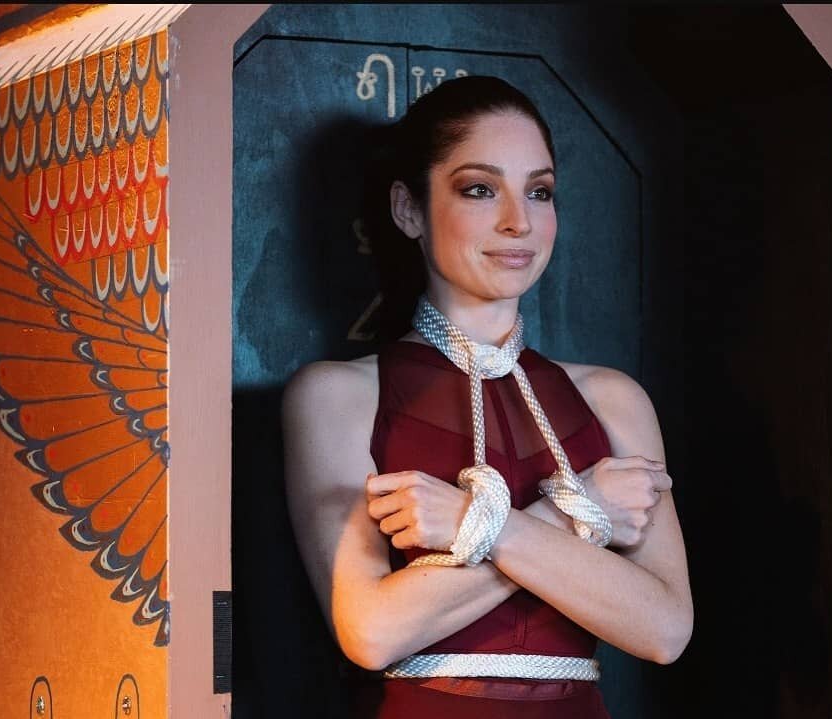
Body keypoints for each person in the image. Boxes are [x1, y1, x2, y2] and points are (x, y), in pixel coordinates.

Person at [281, 75, 692, 718]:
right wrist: (576, 512)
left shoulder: (613, 400)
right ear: (408, 209)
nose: (518, 221)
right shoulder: (338, 395)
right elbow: (371, 631)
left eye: (539, 191)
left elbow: (665, 630)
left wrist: (476, 526)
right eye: (480, 188)